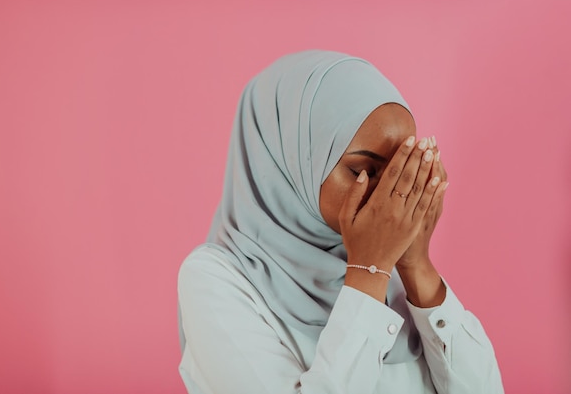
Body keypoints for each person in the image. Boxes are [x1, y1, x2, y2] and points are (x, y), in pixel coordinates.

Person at [177, 50, 504, 394]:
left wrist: (416, 265)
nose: (389, 200)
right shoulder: (215, 280)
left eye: (401, 171)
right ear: (294, 163)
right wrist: (369, 270)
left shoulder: (392, 268)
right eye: (364, 170)